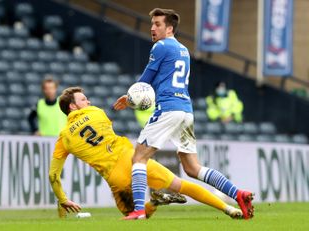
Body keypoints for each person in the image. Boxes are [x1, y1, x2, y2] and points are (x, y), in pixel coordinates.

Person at [113, 8, 254, 220]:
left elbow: (146, 78)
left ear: (169, 28)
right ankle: (237, 193)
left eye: (158, 24)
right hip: (185, 111)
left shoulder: (160, 46)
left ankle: (139, 210)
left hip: (168, 108)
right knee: (192, 167)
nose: (152, 28)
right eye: (152, 24)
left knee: (139, 158)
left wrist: (130, 96)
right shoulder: (184, 50)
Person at [49, 87, 243, 220]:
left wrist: (63, 199)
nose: (88, 100)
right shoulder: (97, 112)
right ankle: (229, 208)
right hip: (133, 159)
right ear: (72, 106)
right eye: (83, 99)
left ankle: (154, 202)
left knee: (134, 215)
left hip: (114, 176)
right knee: (181, 185)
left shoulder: (64, 138)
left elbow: (53, 175)